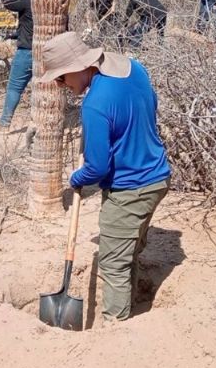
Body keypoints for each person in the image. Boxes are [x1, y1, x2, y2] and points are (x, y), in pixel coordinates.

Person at [36, 32, 171, 322]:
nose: (62, 86)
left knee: (113, 263)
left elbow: (97, 169)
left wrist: (76, 178)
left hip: (132, 187)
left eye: (61, 79)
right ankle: (130, 309)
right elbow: (150, 106)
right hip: (157, 176)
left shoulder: (95, 104)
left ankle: (116, 324)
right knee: (127, 251)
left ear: (77, 68)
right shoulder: (133, 67)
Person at [0, 0, 35, 134]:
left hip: (27, 52)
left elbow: (6, 0)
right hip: (51, 52)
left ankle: (4, 124)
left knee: (15, 87)